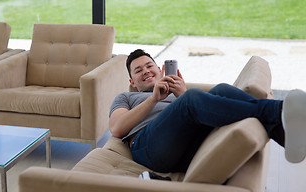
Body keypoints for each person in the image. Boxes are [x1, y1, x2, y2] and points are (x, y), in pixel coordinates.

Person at [109, 49, 306, 173]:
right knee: (193, 98)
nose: (145, 71)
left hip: (184, 146)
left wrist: (181, 94)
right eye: (138, 70)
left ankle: (283, 133)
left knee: (220, 89)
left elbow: (191, 111)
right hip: (148, 147)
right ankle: (280, 110)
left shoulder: (176, 93)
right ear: (132, 82)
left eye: (149, 66)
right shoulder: (125, 98)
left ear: (160, 70)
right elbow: (117, 128)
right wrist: (153, 100)